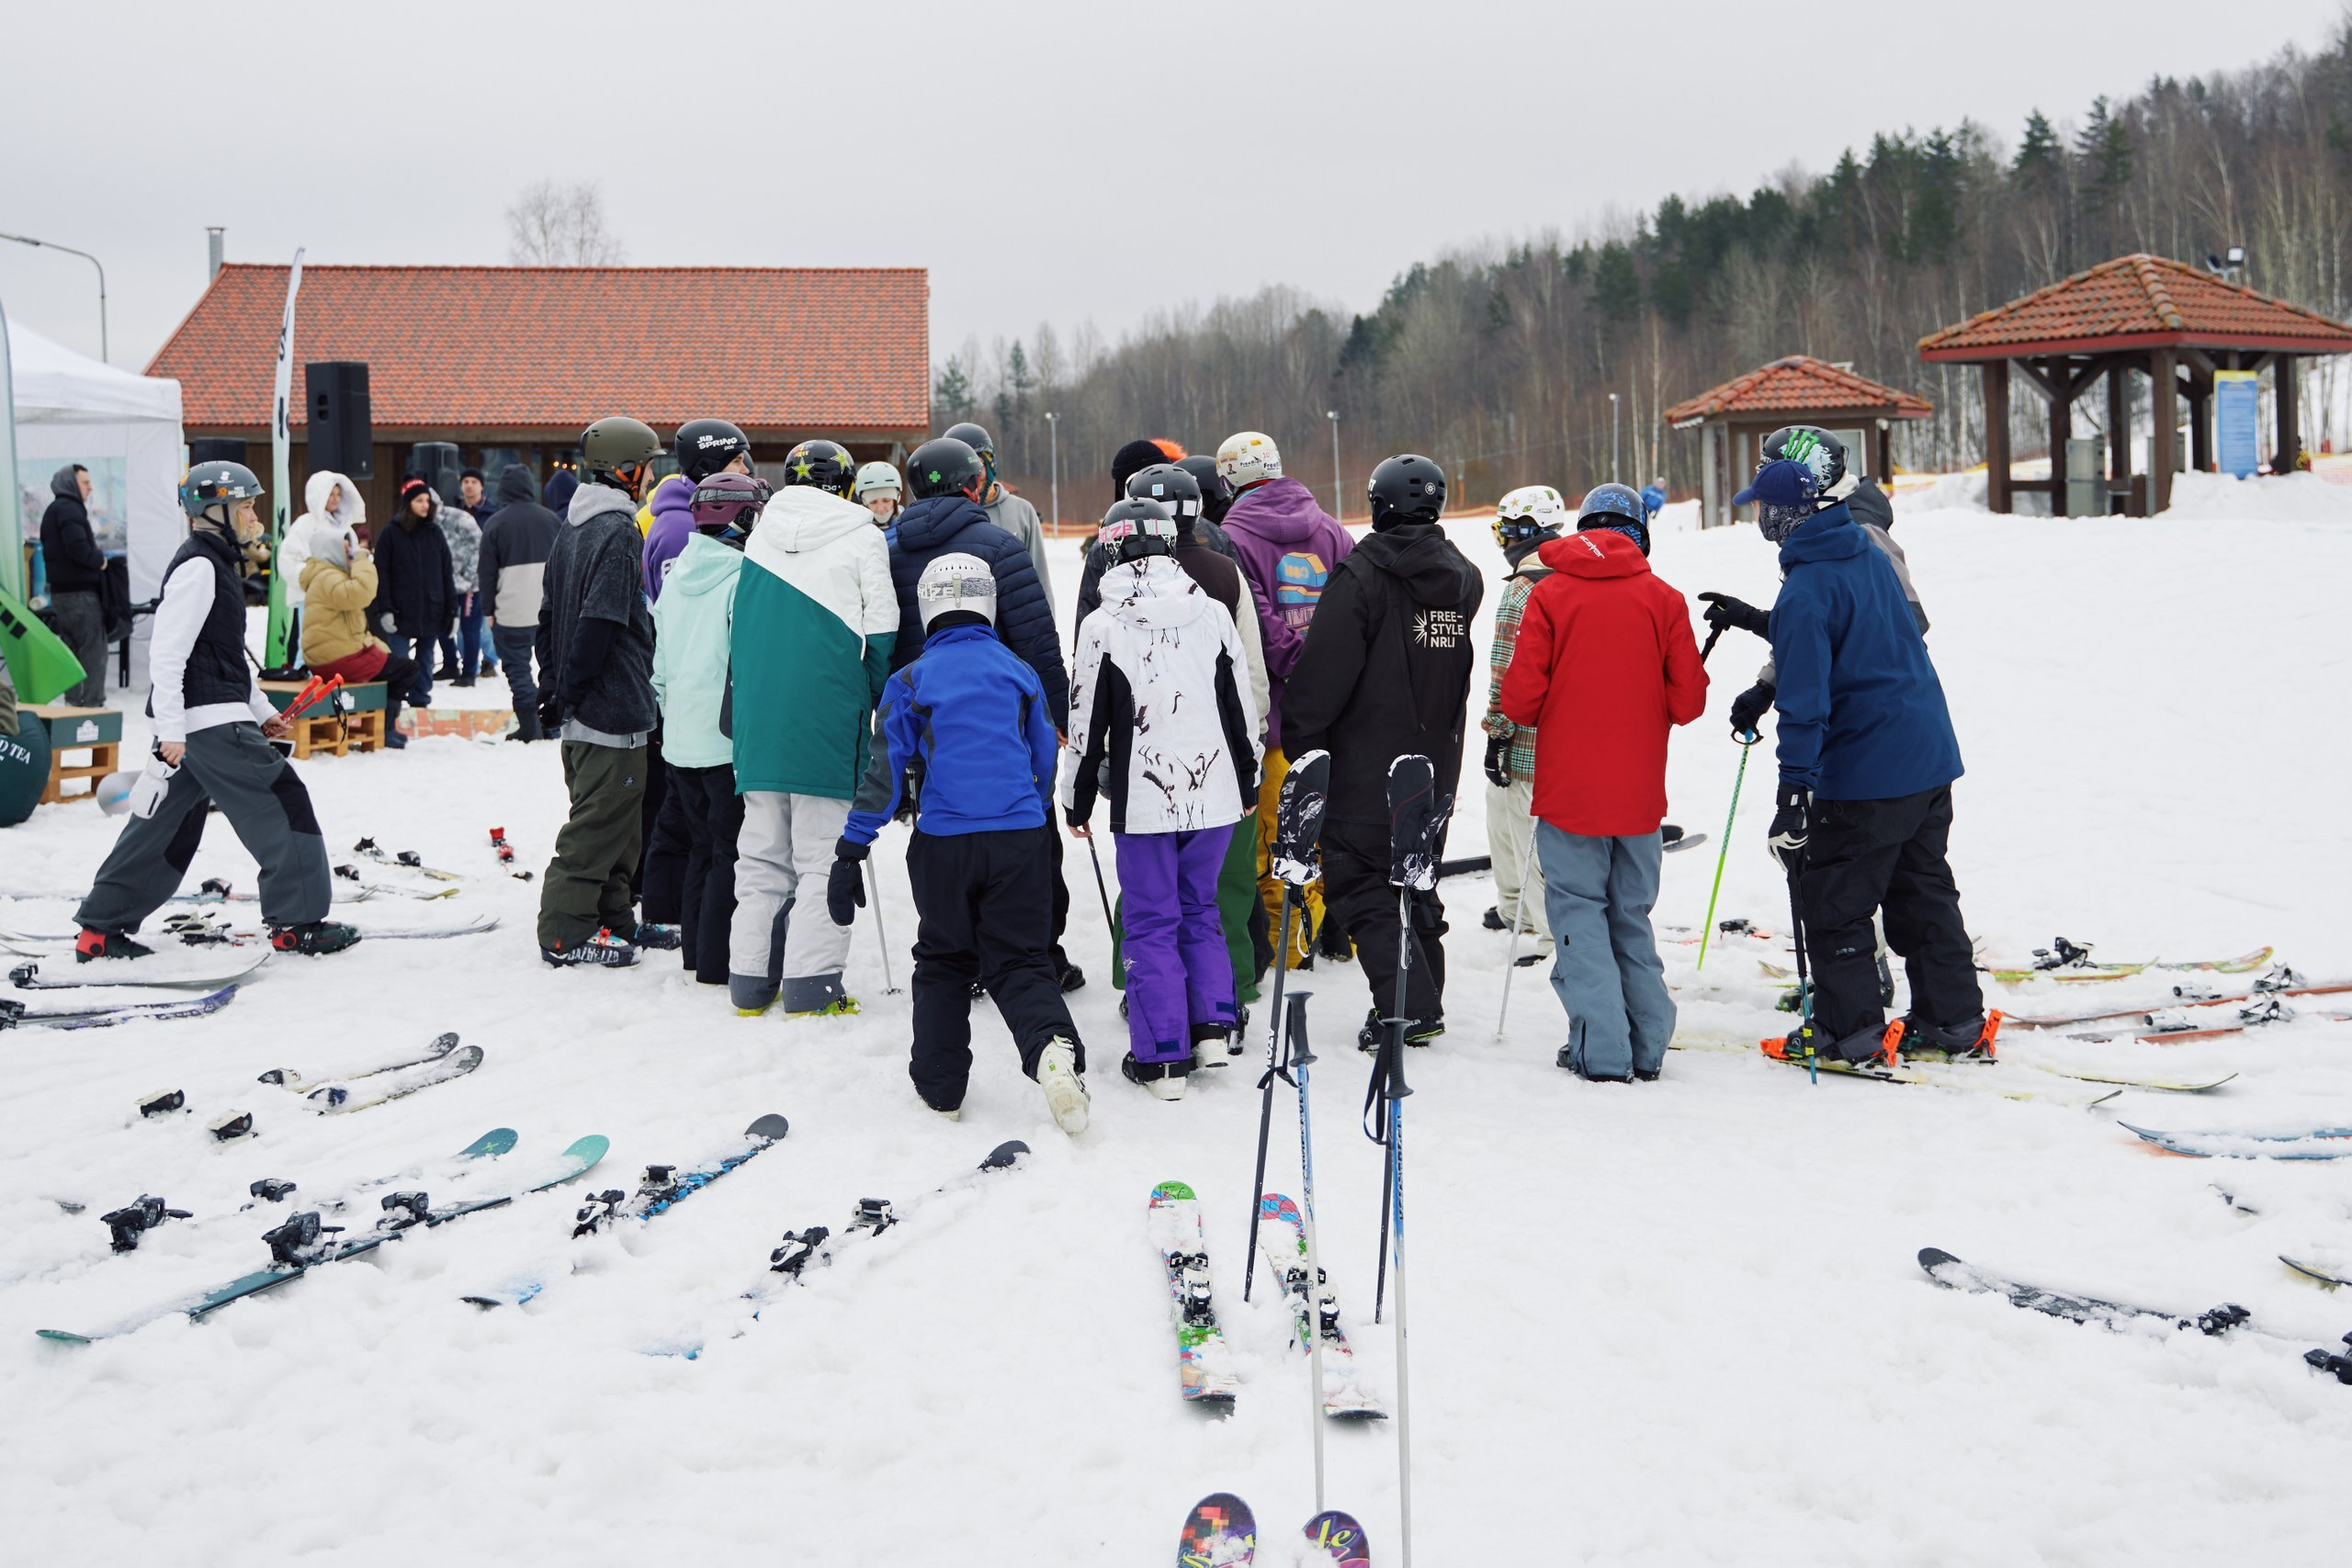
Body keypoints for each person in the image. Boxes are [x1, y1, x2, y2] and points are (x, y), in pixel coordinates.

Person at [1705, 431, 1985, 1066]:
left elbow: (1809, 699)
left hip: (1868, 770)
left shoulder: (1807, 586)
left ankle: (1846, 1033)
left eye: (1766, 507)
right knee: (1922, 892)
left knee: (1835, 900)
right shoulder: (1861, 548)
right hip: (1925, 756)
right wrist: (1758, 622)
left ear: (1792, 511)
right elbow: (1842, 629)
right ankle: (1954, 1019)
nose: (1760, 518)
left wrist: (1794, 790)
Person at [832, 553, 1089, 1133]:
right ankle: (1051, 1050)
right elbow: (1043, 756)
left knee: (945, 959)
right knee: (1022, 959)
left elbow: (884, 771)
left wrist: (853, 847)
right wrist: (1030, 811)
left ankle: (942, 1087)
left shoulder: (910, 680)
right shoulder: (1018, 671)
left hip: (945, 841)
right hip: (1019, 836)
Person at [74, 461, 356, 959]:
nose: (253, 515)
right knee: (282, 801)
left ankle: (100, 930)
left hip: (204, 720)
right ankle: (298, 923)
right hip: (204, 724)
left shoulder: (218, 564)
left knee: (165, 826)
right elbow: (167, 653)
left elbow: (224, 659)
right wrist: (171, 729)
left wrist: (261, 709)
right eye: (245, 505)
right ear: (216, 511)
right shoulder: (199, 566)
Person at [1498, 482, 1707, 1080]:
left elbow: (1519, 698)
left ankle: (1602, 1050)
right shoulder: (1662, 598)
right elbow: (1688, 702)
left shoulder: (1549, 595)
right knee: (1629, 915)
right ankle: (1647, 1045)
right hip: (1639, 798)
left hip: (1569, 794)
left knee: (1579, 914)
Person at [1063, 499, 1260, 1100]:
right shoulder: (1211, 614)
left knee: (1150, 920)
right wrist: (1247, 782)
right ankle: (1212, 1028)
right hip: (1216, 793)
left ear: (1113, 550)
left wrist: (1075, 802)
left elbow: (1084, 721)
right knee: (1200, 908)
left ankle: (1162, 1057)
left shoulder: (1104, 626)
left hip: (1146, 800)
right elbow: (1241, 706)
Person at [1283, 454, 1481, 1050]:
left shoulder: (1362, 575)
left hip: (1368, 763)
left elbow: (1321, 676)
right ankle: (1423, 996)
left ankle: (1409, 1005)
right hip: (1434, 757)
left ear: (1380, 505)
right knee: (1413, 872)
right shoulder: (1462, 576)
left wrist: (1304, 741)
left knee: (1359, 877)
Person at [881, 435, 1078, 988]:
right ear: (973, 485)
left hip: (924, 715)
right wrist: (1056, 711)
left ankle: (957, 952)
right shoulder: (997, 544)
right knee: (1028, 829)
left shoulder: (890, 549)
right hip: (1002, 713)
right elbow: (1037, 638)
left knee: (943, 830)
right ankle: (1037, 951)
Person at [727, 440, 896, 1015]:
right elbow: (883, 631)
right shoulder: (863, 535)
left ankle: (749, 982)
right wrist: (872, 701)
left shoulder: (758, 533)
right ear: (847, 486)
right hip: (827, 713)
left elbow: (740, 627)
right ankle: (811, 985)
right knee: (823, 854)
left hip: (759, 717)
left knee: (761, 855)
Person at [1216, 429, 1356, 968]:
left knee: (1278, 841)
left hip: (1275, 720)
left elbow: (1256, 626)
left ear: (1229, 480)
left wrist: (1300, 666)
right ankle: (1336, 929)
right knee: (1327, 827)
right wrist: (1330, 674)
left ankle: (1286, 947)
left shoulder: (1231, 538)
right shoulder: (1333, 531)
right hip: (1336, 715)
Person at [534, 417, 666, 968]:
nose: (654, 475)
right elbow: (599, 621)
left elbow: (547, 616)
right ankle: (564, 931)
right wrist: (573, 688)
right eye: (649, 465)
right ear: (626, 469)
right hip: (610, 706)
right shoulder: (615, 529)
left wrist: (554, 686)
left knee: (619, 824)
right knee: (598, 824)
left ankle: (613, 918)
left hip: (588, 704)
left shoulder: (574, 524)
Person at [1702, 442, 1926, 742]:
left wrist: (1797, 771)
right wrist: (1768, 683)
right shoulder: (1816, 534)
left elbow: (1900, 626)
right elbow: (1823, 626)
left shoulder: (1857, 532)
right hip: (1860, 730)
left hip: (1878, 729)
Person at [650, 470, 760, 990]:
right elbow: (748, 663)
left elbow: (660, 667)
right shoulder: (744, 577)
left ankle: (695, 953)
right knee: (728, 852)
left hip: (681, 741)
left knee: (700, 847)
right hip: (725, 741)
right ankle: (717, 963)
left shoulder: (676, 576)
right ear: (741, 517)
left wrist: (676, 719)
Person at [1479, 484, 1570, 962]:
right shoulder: (1574, 578)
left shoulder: (1522, 589)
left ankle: (1545, 933)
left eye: (1505, 532)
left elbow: (1505, 669)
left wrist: (1497, 733)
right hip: (1560, 732)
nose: (1502, 542)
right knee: (1502, 817)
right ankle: (1513, 906)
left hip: (1525, 737)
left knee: (1524, 829)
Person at [298, 524, 420, 750]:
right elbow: (362, 593)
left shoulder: (324, 574)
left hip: (329, 654)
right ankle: (385, 729)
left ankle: (379, 724)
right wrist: (363, 561)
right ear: (331, 551)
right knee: (406, 670)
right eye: (346, 549)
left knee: (391, 662)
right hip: (338, 658)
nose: (350, 554)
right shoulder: (329, 577)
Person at [479, 463, 559, 740]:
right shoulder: (551, 520)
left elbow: (487, 573)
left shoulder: (495, 523)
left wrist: (488, 609)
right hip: (549, 610)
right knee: (551, 668)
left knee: (518, 670)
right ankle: (552, 723)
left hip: (511, 611)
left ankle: (528, 727)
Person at [370, 479, 458, 711]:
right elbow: (381, 573)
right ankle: (394, 704)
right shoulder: (390, 533)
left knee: (426, 658)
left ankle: (420, 700)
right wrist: (385, 608)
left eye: (427, 500)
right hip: (400, 611)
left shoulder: (435, 533)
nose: (425, 505)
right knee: (399, 660)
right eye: (420, 500)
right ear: (408, 503)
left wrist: (452, 611)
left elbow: (446, 573)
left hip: (431, 609)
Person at [944, 421, 1054, 605]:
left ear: (990, 464)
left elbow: (1039, 579)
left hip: (1015, 620)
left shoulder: (1022, 511)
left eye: (978, 465)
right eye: (961, 470)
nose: (973, 477)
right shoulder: (946, 516)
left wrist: (1047, 627)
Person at [646, 419, 750, 600]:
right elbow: (680, 609)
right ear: (708, 467)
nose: (746, 470)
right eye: (736, 461)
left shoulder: (696, 517)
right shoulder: (679, 528)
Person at [39, 464, 108, 706]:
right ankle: (92, 705)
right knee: (93, 648)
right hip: (80, 592)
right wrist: (99, 560)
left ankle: (72, 702)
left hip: (61, 593)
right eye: (85, 482)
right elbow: (77, 548)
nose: (90, 487)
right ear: (71, 483)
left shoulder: (54, 509)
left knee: (72, 648)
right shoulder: (69, 509)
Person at [430, 488, 483, 684]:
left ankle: (470, 671)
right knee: (442, 625)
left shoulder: (459, 518)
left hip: (470, 584)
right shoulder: (423, 524)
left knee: (469, 628)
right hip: (442, 585)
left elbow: (479, 546)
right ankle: (450, 665)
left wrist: (467, 578)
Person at [854, 461, 904, 526]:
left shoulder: (912, 529)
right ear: (863, 502)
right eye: (873, 502)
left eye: (886, 500)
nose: (881, 509)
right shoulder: (854, 531)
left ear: (897, 498)